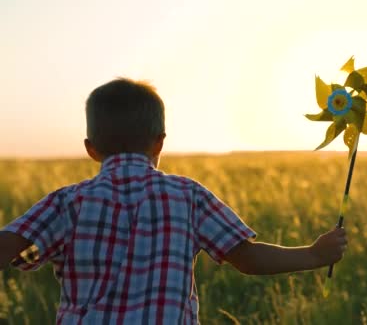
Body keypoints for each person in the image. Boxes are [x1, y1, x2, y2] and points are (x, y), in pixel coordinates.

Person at [0, 78, 347, 324]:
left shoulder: (66, 202)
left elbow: (7, 247)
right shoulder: (189, 195)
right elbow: (248, 258)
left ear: (91, 148)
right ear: (159, 143)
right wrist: (314, 254)